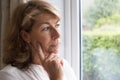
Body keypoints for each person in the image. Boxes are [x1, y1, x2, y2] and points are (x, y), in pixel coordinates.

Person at [0, 0, 77, 80]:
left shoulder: (63, 66)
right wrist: (56, 78)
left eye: (57, 25)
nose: (57, 35)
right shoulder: (8, 76)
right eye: (46, 28)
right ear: (25, 36)